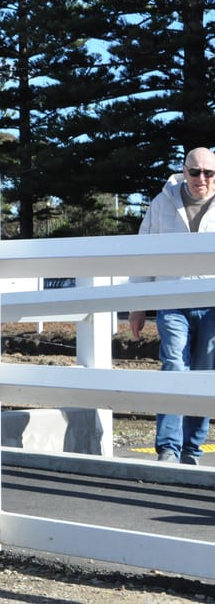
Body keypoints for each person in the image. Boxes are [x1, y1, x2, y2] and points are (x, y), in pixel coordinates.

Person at [128, 147, 215, 465]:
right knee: (175, 366)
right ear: (184, 170)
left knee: (205, 374)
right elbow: (144, 255)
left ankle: (191, 450)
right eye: (195, 171)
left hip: (211, 303)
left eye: (209, 172)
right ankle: (168, 448)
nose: (202, 178)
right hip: (172, 300)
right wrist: (137, 306)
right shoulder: (162, 203)